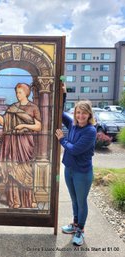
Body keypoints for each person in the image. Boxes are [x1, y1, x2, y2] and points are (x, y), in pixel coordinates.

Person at [55, 83, 96, 246]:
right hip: (69, 169)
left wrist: (61, 139)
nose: (80, 116)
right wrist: (63, 95)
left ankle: (80, 230)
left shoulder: (90, 131)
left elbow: (75, 149)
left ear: (89, 114)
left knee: (81, 201)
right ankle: (75, 224)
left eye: (84, 113)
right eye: (78, 112)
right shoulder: (72, 124)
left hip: (82, 173)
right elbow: (60, 112)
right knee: (74, 200)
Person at [0, 83, 42, 209]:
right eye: (17, 92)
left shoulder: (33, 107)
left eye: (20, 92)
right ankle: (15, 201)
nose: (18, 95)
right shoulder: (12, 108)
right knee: (12, 169)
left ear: (26, 92)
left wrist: (24, 126)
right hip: (12, 143)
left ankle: (29, 200)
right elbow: (5, 123)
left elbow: (38, 126)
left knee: (25, 170)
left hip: (25, 143)